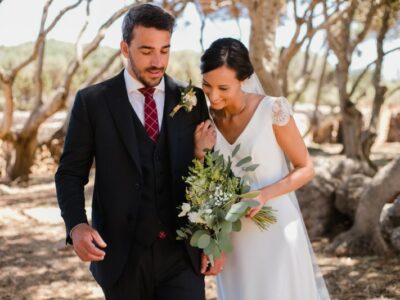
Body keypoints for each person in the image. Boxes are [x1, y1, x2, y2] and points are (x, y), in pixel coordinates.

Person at [55, 4, 217, 299]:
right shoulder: (92, 102)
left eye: (165, 50)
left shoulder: (191, 99)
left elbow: (206, 171)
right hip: (121, 256)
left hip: (182, 254)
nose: (158, 61)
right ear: (124, 48)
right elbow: (70, 172)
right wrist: (76, 225)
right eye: (146, 51)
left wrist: (214, 239)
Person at [197, 38, 331, 300]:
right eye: (207, 85)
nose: (213, 96)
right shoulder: (204, 119)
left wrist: (263, 195)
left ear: (244, 79)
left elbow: (306, 167)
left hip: (277, 231)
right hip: (232, 239)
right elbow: (204, 180)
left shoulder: (273, 110)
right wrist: (199, 152)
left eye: (223, 87)